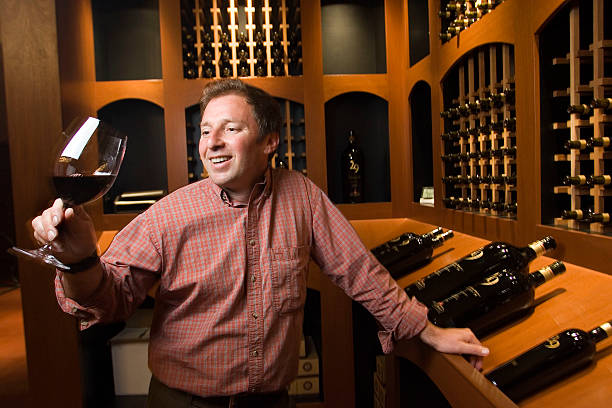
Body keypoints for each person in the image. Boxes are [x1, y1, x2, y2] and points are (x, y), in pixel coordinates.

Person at [32, 79, 489, 408]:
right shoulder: (169, 214)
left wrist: (426, 330)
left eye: (230, 128)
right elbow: (110, 300)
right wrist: (80, 262)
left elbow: (360, 272)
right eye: (204, 130)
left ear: (270, 141)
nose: (211, 142)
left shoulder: (302, 195)